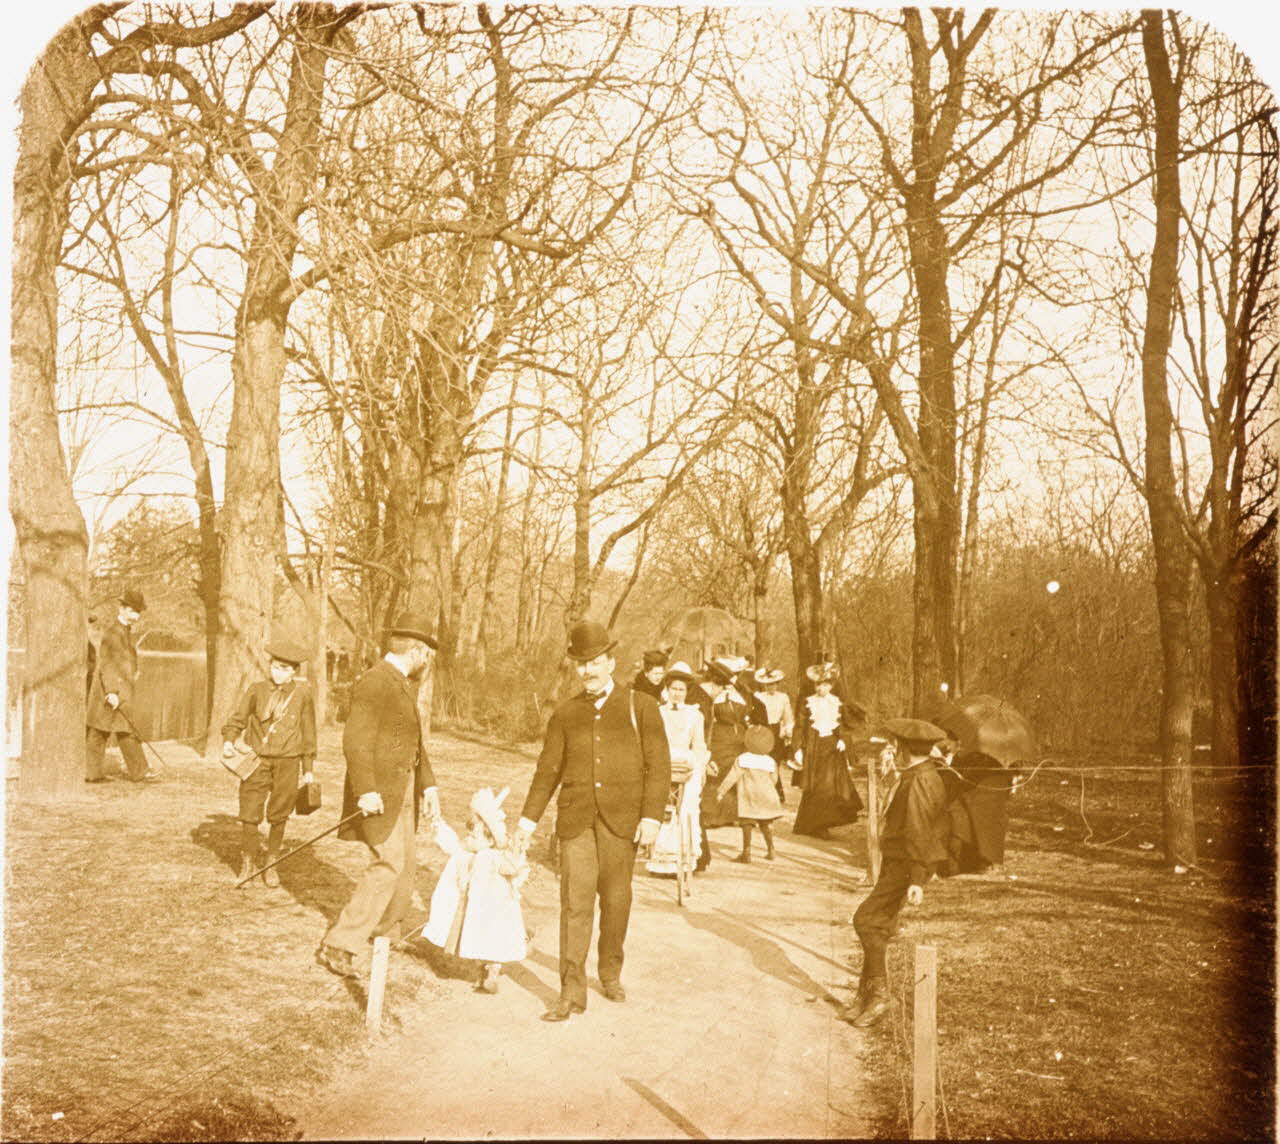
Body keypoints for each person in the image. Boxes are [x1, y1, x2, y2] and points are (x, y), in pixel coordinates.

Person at [510, 619, 670, 1022]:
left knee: (616, 902)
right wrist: (527, 821)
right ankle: (570, 992)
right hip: (576, 822)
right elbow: (547, 770)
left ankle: (610, 971)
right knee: (575, 905)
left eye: (595, 662)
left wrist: (652, 817)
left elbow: (659, 767)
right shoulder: (566, 713)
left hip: (622, 822)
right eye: (582, 664)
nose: (588, 671)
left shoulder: (640, 707)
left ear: (611, 663)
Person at [317, 612, 442, 979]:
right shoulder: (375, 681)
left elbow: (414, 742)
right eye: (427, 655)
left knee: (405, 863)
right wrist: (366, 790)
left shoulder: (401, 682)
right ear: (416, 651)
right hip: (380, 793)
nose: (427, 662)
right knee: (387, 864)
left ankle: (386, 931)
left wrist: (428, 785)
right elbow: (355, 742)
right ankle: (339, 944)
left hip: (404, 790)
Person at [844, 717, 951, 1028]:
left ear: (905, 748)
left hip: (906, 865)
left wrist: (917, 879)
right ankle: (865, 996)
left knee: (865, 920)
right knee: (879, 925)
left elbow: (920, 831)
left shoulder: (920, 781)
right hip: (900, 861)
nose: (894, 750)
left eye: (897, 745)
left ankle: (879, 996)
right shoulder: (919, 774)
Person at [220, 640, 317, 886]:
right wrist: (229, 740)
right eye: (274, 667)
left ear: (294, 671)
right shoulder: (257, 690)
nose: (277, 673)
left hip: (288, 762)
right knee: (249, 813)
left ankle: (271, 863)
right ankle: (248, 863)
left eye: (284, 669)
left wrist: (308, 769)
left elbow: (309, 733)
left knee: (279, 814)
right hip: (257, 761)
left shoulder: (302, 695)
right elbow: (237, 719)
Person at [422, 786, 529, 994]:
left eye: (474, 836)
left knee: (493, 942)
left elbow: (512, 867)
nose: (468, 839)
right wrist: (437, 823)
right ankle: (482, 973)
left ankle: (492, 972)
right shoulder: (464, 853)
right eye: (468, 834)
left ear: (490, 839)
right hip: (474, 909)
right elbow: (449, 841)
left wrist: (517, 851)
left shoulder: (494, 857)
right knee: (476, 940)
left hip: (494, 911)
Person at [645, 661, 708, 877]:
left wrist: (700, 769)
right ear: (667, 689)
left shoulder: (695, 715)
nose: (677, 693)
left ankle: (681, 862)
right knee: (660, 809)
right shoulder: (657, 712)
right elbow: (651, 741)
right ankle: (659, 862)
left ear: (687, 692)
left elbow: (699, 745)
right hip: (661, 763)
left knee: (685, 810)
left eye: (681, 690)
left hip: (686, 765)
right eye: (673, 689)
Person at [85, 588, 152, 783]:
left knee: (123, 729)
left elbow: (125, 659)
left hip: (121, 690)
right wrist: (112, 692)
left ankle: (139, 772)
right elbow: (108, 664)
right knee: (100, 732)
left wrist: (134, 671)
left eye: (138, 612)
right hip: (108, 691)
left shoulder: (124, 632)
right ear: (122, 609)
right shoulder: (113, 633)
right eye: (133, 611)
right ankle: (93, 774)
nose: (136, 616)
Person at [790, 662, 864, 838]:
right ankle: (812, 825)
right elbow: (799, 726)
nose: (820, 688)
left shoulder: (837, 703)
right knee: (815, 785)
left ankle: (823, 824)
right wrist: (797, 749)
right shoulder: (808, 703)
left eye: (824, 685)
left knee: (830, 785)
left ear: (831, 685)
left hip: (833, 747)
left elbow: (846, 724)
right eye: (817, 684)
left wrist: (843, 740)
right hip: (814, 746)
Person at [697, 657, 755, 835]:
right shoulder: (712, 694)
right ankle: (711, 814)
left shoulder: (741, 694)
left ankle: (732, 814)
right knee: (718, 773)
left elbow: (751, 706)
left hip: (738, 737)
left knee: (735, 773)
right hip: (720, 737)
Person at [716, 724, 784, 863]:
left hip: (748, 795)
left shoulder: (743, 759)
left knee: (746, 823)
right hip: (766, 796)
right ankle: (771, 849)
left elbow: (732, 777)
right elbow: (774, 780)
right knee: (765, 823)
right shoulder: (770, 761)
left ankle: (746, 852)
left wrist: (721, 791)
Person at [753, 665, 794, 803]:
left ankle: (776, 793)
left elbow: (788, 717)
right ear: (764, 685)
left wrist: (787, 730)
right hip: (762, 730)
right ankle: (763, 793)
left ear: (777, 684)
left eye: (774, 684)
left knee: (774, 762)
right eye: (768, 685)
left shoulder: (783, 698)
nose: (771, 687)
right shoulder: (758, 697)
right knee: (762, 761)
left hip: (777, 732)